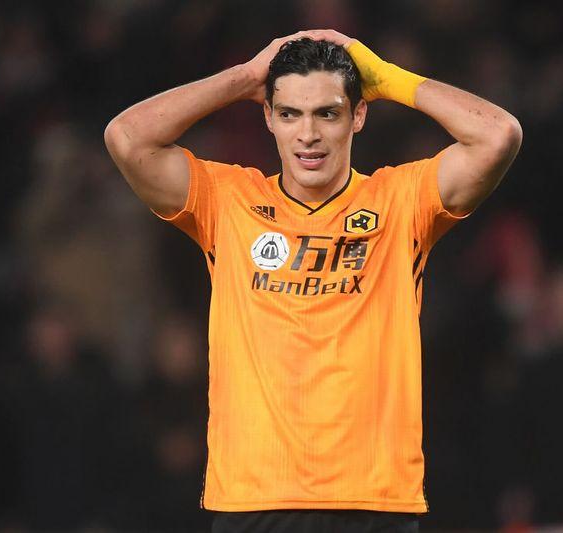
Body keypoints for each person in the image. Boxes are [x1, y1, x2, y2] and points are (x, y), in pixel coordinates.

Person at [104, 29, 521, 533]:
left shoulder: (402, 201)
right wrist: (244, 77)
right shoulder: (228, 201)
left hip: (374, 504)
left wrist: (388, 79)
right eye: (289, 114)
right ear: (268, 117)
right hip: (254, 502)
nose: (308, 134)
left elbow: (498, 134)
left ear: (358, 116)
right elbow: (127, 137)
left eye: (327, 113)